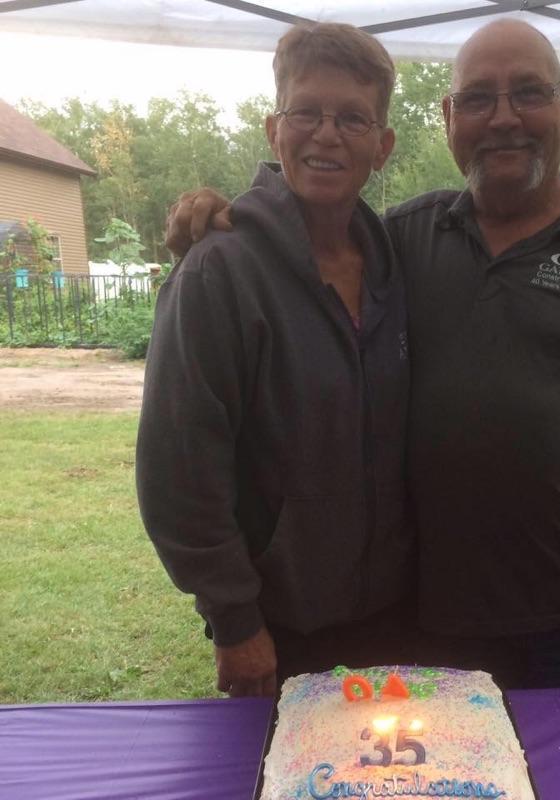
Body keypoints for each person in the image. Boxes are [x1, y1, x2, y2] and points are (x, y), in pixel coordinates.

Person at [165, 19, 560, 689]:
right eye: (478, 99)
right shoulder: (404, 240)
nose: (503, 118)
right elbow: (313, 225)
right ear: (451, 118)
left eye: (529, 94)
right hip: (435, 620)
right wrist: (222, 210)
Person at [136, 22, 416, 698]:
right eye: (307, 113)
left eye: (353, 118)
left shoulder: (397, 266)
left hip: (398, 619)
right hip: (276, 630)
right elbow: (179, 470)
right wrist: (234, 621)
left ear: (382, 147)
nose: (326, 134)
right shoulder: (220, 272)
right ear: (273, 129)